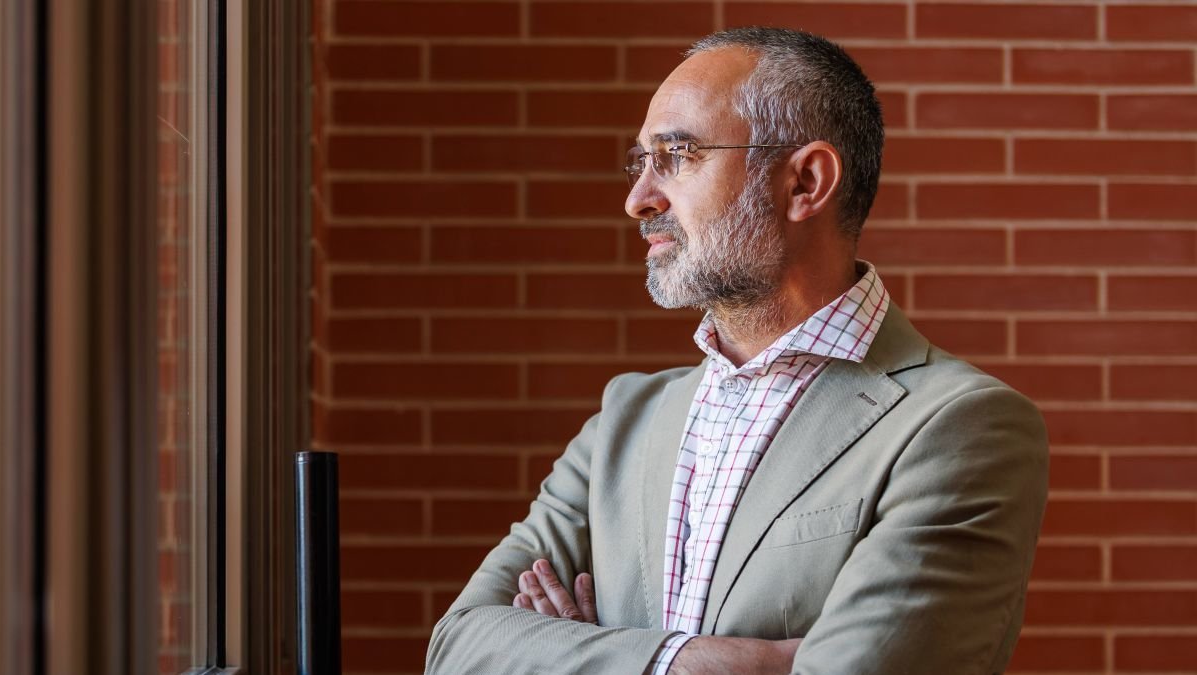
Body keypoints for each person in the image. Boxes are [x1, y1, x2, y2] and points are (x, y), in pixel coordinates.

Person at [426, 26, 1048, 675]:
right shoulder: (624, 421)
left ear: (805, 182)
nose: (638, 200)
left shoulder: (960, 426)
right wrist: (695, 661)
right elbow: (458, 646)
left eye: (677, 155)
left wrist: (576, 654)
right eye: (640, 161)